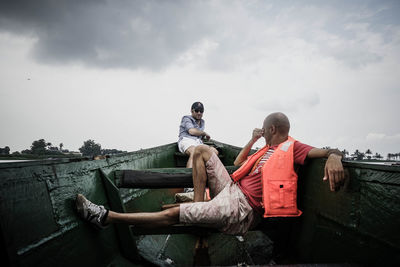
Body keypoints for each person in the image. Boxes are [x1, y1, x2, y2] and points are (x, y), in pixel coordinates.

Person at [76, 112, 344, 235]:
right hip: (231, 189)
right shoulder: (265, 151)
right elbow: (240, 163)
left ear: (272, 129)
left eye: (264, 130)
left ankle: (104, 217)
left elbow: (326, 150)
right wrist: (252, 142)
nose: (262, 133)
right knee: (203, 150)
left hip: (242, 208)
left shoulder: (293, 148)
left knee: (173, 214)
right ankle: (199, 203)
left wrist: (334, 156)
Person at [178, 102, 217, 168]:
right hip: (186, 140)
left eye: (201, 111)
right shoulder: (186, 118)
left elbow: (199, 136)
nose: (199, 113)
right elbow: (191, 131)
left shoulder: (202, 122)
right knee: (194, 152)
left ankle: (206, 172)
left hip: (197, 142)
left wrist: (202, 137)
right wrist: (204, 133)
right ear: (192, 111)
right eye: (196, 111)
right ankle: (189, 176)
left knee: (214, 151)